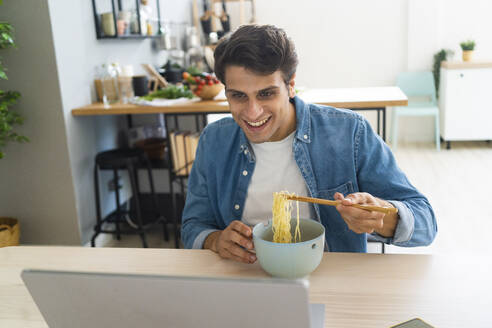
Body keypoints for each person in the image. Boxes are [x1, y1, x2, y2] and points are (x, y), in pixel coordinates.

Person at [181, 24, 437, 263]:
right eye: (238, 96)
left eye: (266, 94)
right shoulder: (214, 140)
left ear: (291, 86)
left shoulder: (349, 132)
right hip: (245, 278)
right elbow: (193, 225)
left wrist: (382, 216)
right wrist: (215, 240)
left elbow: (426, 223)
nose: (252, 112)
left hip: (329, 277)